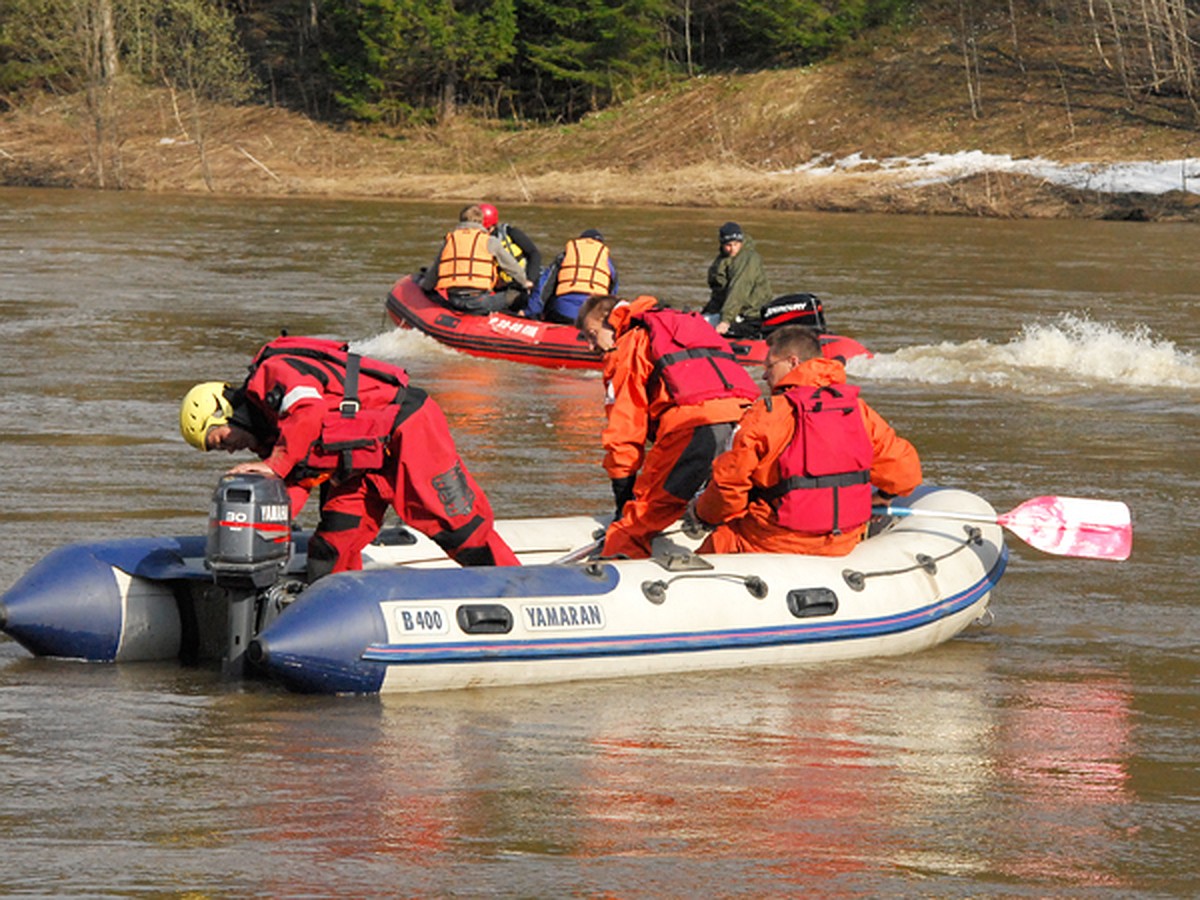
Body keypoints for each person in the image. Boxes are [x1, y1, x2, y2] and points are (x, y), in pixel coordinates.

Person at [179, 335, 520, 582]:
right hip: (359, 465)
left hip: (407, 428)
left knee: (458, 529)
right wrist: (261, 527)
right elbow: (297, 481)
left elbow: (309, 412)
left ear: (224, 412)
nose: (230, 449)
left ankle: (519, 588)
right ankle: (333, 619)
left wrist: (273, 466)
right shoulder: (275, 435)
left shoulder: (270, 374)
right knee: (332, 546)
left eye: (220, 439)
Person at [684, 325, 921, 556]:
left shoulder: (766, 413)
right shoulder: (859, 410)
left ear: (793, 362)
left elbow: (728, 488)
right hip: (843, 541)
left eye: (770, 366)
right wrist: (883, 498)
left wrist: (701, 513)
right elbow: (905, 472)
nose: (765, 374)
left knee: (710, 552)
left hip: (771, 541)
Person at [575, 294, 760, 559]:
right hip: (744, 422)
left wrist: (624, 497)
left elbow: (625, 427)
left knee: (637, 522)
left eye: (592, 335)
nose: (592, 346)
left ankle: (616, 567)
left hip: (694, 427)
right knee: (735, 510)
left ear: (608, 321)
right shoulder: (685, 324)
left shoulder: (631, 342)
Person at [419, 204, 533, 314]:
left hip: (454, 300)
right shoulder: (490, 241)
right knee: (518, 296)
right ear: (481, 222)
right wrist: (524, 282)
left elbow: (434, 272)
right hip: (480, 302)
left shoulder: (450, 240)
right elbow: (513, 268)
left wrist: (425, 286)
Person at [527, 229, 616, 324]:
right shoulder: (608, 264)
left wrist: (530, 313)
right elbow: (612, 296)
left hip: (563, 313)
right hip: (591, 318)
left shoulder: (565, 256)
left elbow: (544, 286)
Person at [703, 221, 774, 337]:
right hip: (730, 311)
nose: (732, 249)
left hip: (749, 313)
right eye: (728, 245)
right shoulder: (722, 259)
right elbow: (719, 293)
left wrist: (726, 320)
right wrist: (707, 311)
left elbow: (738, 289)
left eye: (736, 244)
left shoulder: (747, 259)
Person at [480, 202, 542, 311]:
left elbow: (534, 254)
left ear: (492, 227)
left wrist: (530, 280)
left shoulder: (511, 233)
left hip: (520, 285)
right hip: (497, 289)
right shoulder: (477, 242)